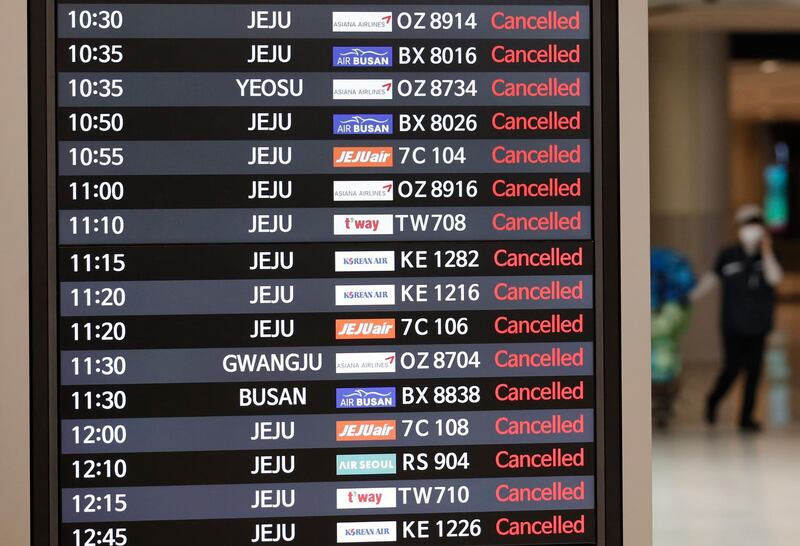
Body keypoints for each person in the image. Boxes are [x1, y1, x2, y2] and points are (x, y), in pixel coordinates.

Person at [691, 204, 783, 432]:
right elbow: (710, 280)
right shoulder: (728, 255)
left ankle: (746, 418)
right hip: (732, 324)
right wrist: (687, 298)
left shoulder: (767, 256)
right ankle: (713, 399)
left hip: (758, 325)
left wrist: (768, 251)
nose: (751, 230)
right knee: (732, 369)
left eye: (755, 225)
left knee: (754, 372)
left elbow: (775, 279)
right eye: (747, 225)